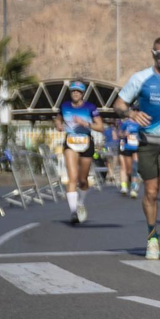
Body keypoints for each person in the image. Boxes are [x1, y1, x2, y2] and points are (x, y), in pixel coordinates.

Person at [113, 36, 160, 260]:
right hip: (147, 142)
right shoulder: (140, 78)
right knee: (151, 192)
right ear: (153, 54)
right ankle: (152, 237)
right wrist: (131, 113)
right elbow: (119, 104)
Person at [56, 80, 103, 225]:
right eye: (73, 91)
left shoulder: (90, 107)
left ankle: (80, 203)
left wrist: (85, 123)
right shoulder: (64, 106)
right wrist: (59, 125)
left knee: (83, 180)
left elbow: (100, 127)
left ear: (82, 94)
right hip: (70, 142)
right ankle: (73, 212)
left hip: (86, 143)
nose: (75, 93)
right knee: (73, 178)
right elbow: (58, 119)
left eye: (78, 91)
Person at [118, 113, 142, 198]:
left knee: (134, 168)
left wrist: (140, 138)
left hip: (136, 148)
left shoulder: (141, 123)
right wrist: (124, 134)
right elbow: (119, 133)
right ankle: (124, 185)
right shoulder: (126, 123)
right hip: (127, 147)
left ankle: (133, 189)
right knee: (128, 170)